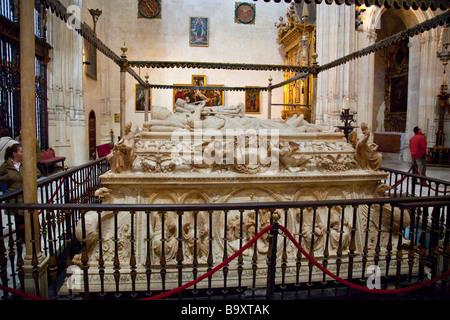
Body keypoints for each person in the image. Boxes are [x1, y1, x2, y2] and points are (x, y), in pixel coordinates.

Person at [0, 144, 42, 239]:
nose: (24, 154)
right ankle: (22, 238)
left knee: (31, 216)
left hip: (27, 194)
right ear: (14, 154)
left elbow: (38, 174)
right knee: (19, 218)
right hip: (14, 196)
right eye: (21, 152)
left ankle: (35, 236)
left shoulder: (27, 163)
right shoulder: (6, 165)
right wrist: (7, 177)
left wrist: (29, 176)